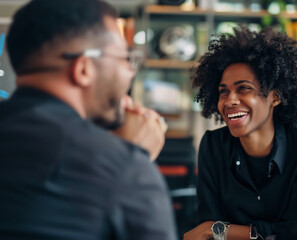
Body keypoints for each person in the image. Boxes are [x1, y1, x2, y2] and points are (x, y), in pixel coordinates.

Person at [0, 0, 176, 239]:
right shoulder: (124, 168)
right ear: (83, 69)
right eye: (125, 58)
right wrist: (131, 160)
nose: (130, 72)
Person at [184, 26, 297, 240]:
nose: (230, 100)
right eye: (224, 91)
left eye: (243, 88)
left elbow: (295, 234)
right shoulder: (213, 146)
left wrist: (222, 230)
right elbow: (208, 229)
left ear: (275, 97)